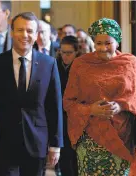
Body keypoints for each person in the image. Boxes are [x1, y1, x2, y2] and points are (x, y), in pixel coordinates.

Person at [63, 18, 136, 176]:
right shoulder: (81, 64)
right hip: (89, 138)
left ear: (117, 42)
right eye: (98, 43)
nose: (102, 48)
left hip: (122, 136)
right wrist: (91, 109)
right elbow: (68, 103)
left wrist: (121, 106)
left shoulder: (130, 63)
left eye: (108, 43)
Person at [0, 12, 63, 176]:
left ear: (36, 34)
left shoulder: (49, 64)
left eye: (30, 31)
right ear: (11, 32)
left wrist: (55, 145)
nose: (25, 35)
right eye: (20, 30)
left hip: (37, 142)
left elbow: (54, 105)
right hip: (4, 141)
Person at [55, 36, 79, 176]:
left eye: (69, 53)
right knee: (63, 157)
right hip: (61, 117)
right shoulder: (55, 64)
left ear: (76, 52)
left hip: (76, 117)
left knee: (75, 158)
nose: (65, 56)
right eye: (62, 52)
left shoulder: (81, 67)